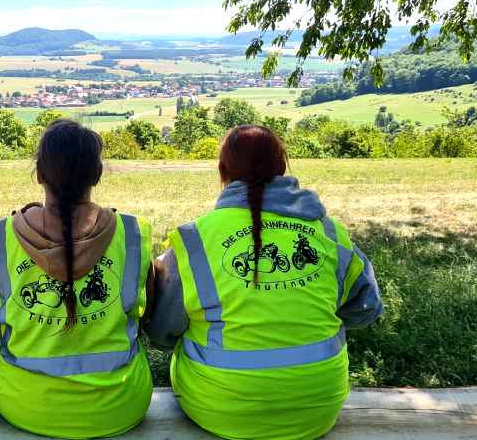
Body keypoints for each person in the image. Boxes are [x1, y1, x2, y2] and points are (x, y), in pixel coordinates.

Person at [145, 125, 384, 440]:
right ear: (282, 166)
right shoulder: (330, 232)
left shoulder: (194, 240)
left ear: (223, 172)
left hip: (219, 408)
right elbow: (366, 310)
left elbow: (163, 332)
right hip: (318, 408)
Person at [0, 119, 155, 439]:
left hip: (23, 404)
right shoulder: (132, 234)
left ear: (39, 174)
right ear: (97, 174)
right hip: (119, 405)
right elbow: (147, 314)